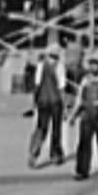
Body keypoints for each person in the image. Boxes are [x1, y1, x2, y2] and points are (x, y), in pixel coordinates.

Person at [68, 52, 98, 180]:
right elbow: (79, 99)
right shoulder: (85, 80)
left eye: (95, 64)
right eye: (91, 64)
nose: (92, 66)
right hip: (87, 115)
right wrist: (73, 115)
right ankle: (82, 171)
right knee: (84, 143)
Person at [28, 39, 66, 167]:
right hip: (55, 101)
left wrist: (35, 100)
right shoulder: (59, 65)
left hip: (43, 100)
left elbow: (37, 84)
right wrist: (65, 104)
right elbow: (62, 86)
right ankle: (55, 154)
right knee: (56, 129)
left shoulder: (41, 64)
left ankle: (34, 152)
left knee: (41, 127)